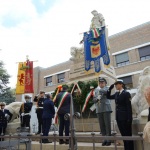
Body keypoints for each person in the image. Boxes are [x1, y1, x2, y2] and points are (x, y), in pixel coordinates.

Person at [107, 80, 134, 150]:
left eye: (117, 84)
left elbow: (128, 107)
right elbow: (108, 97)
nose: (115, 86)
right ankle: (126, 148)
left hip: (125, 118)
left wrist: (129, 118)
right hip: (119, 118)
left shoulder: (126, 93)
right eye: (115, 85)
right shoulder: (116, 94)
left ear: (121, 85)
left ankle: (130, 149)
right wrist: (109, 89)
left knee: (128, 135)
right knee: (123, 135)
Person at [93, 77, 112, 146]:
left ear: (105, 83)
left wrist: (100, 91)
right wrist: (96, 99)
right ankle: (104, 139)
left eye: (102, 83)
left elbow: (106, 93)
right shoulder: (96, 90)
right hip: (99, 109)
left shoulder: (107, 88)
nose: (101, 84)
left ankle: (108, 139)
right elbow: (94, 98)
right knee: (102, 126)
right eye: (100, 83)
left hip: (106, 108)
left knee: (107, 125)